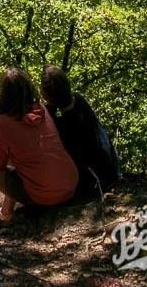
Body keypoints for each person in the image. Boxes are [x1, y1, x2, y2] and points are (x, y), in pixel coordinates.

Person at [0, 68, 78, 231]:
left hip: (45, 194)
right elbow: (28, 148)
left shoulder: (4, 121)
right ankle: (6, 212)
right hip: (69, 185)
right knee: (18, 158)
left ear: (2, 93)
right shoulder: (41, 110)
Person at [40, 64, 120, 198]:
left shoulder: (61, 125)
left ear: (45, 95)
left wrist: (49, 108)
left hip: (92, 183)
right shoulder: (79, 101)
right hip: (110, 171)